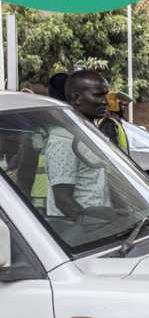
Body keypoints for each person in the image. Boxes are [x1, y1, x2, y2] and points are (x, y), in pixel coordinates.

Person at [45, 70, 113, 218]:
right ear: (76, 98)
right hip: (81, 233)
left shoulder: (89, 133)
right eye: (98, 95)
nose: (105, 101)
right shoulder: (63, 140)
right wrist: (89, 224)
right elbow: (63, 201)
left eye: (105, 95)